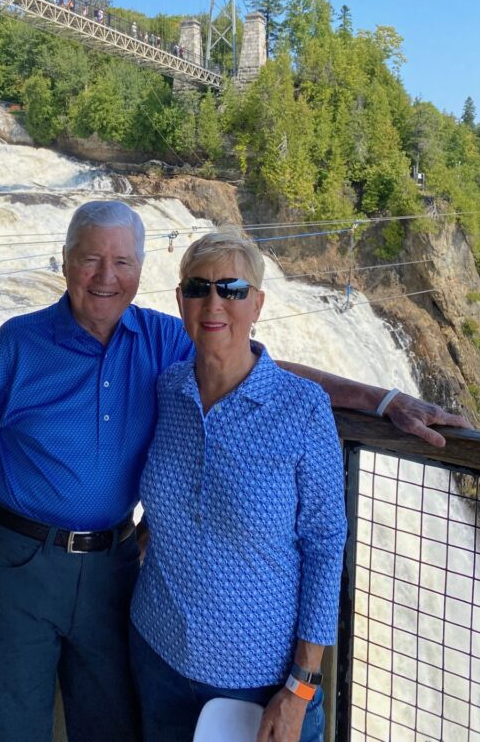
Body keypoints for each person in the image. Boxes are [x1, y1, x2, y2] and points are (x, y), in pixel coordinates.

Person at [0, 201, 468, 742]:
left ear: (140, 272)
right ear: (66, 261)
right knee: (10, 725)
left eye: (121, 262)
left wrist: (382, 399)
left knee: (109, 728)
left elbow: (243, 356)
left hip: (112, 569)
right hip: (17, 566)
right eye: (90, 259)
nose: (105, 277)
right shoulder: (17, 345)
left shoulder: (160, 341)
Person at [130, 228, 346, 742]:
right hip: (157, 652)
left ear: (258, 304)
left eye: (232, 289)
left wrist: (300, 686)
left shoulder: (302, 407)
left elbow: (325, 546)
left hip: (260, 681)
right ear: (180, 301)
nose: (214, 303)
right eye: (199, 288)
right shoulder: (168, 390)